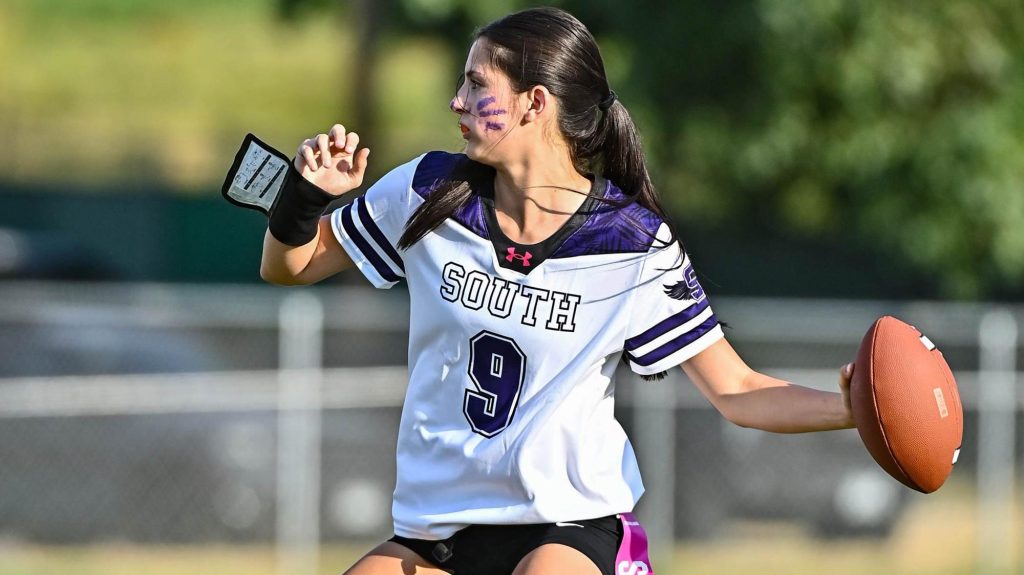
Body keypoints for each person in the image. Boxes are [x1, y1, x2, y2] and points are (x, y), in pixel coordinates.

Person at [256, 7, 855, 575]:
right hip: (437, 533)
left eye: (475, 83)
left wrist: (856, 412)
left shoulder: (631, 242)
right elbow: (290, 267)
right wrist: (305, 197)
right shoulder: (428, 191)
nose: (456, 100)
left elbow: (739, 390)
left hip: (566, 526)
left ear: (533, 103)